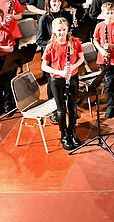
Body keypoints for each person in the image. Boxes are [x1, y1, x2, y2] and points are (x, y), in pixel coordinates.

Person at [41, 18, 85, 150]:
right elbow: (44, 66)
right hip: (57, 80)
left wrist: (72, 67)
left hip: (72, 77)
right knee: (61, 110)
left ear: (67, 29)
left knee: (72, 108)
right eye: (59, 30)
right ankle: (64, 135)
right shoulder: (51, 45)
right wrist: (59, 72)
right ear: (54, 31)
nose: (61, 33)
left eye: (64, 30)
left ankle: (72, 132)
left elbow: (81, 58)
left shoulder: (75, 42)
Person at [93, 2, 114, 117]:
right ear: (103, 14)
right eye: (107, 13)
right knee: (107, 83)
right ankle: (110, 106)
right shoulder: (99, 26)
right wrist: (101, 50)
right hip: (103, 57)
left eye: (112, 13)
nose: (109, 15)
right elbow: (95, 40)